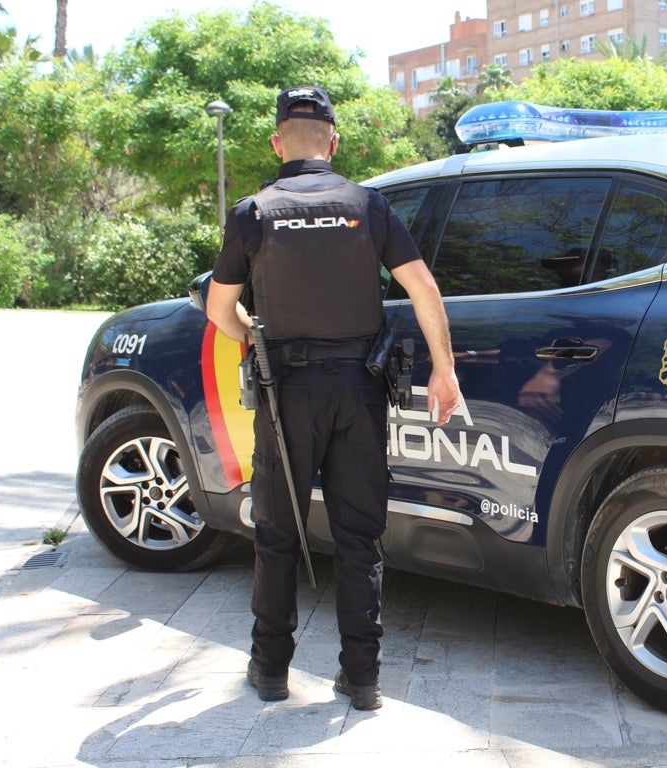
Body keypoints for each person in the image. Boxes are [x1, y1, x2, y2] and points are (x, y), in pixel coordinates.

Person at [206, 85, 461, 710]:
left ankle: (271, 672)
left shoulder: (252, 213)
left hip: (286, 393)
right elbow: (424, 289)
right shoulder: (368, 206)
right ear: (334, 142)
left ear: (277, 143)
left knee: (276, 534)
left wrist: (252, 336)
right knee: (359, 536)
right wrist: (445, 370)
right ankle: (363, 679)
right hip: (358, 389)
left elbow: (218, 308)